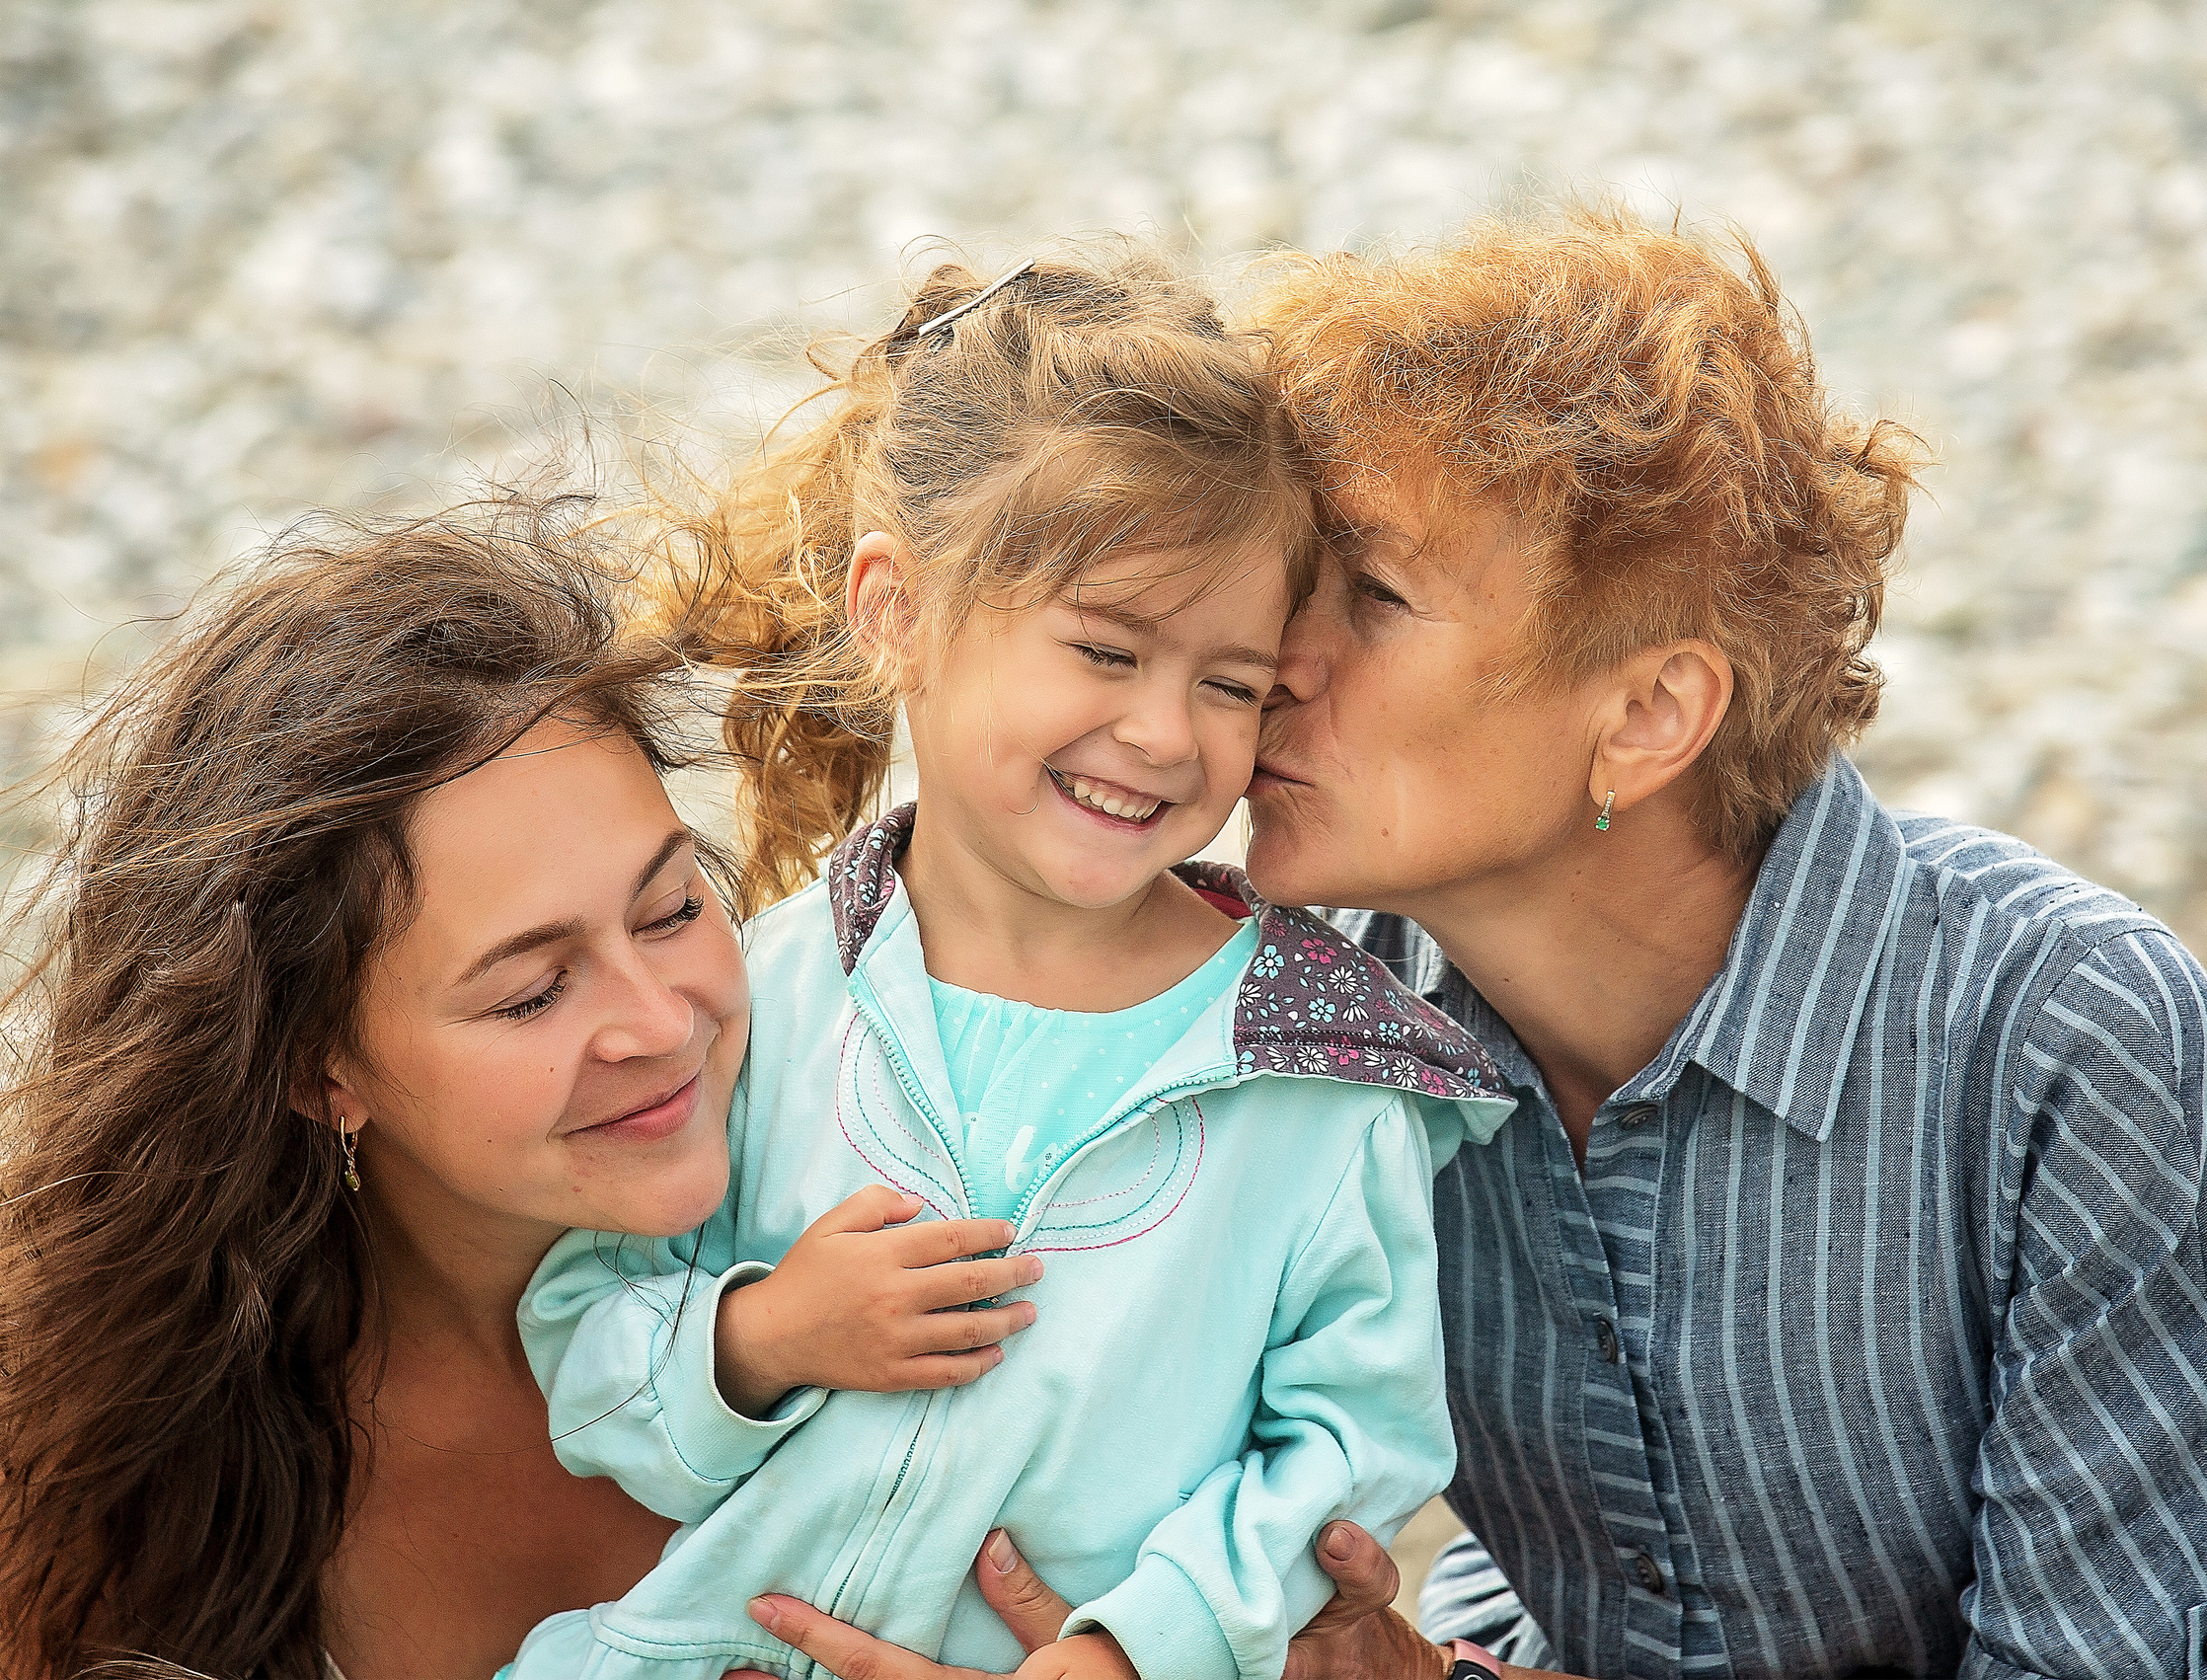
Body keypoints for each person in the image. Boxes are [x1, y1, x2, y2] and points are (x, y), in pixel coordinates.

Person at [742, 209, 2207, 1680]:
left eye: (1371, 593)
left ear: (1648, 713)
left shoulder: (2057, 1023)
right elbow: (1557, 1547)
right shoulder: (1332, 1021)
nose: (1271, 659)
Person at [503, 250, 1512, 1680]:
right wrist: (762, 1334)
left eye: (1228, 681)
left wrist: (1133, 1649)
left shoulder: (1319, 1071)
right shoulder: (769, 997)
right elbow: (585, 1329)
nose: (1166, 733)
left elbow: (1357, 1445)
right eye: (1106, 649)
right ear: (897, 612)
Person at [0, 501, 787, 1680]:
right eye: (530, 992)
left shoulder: (906, 1152)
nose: (663, 1023)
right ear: (320, 1070)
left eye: (671, 909)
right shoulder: (98, 1459)